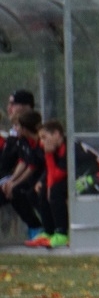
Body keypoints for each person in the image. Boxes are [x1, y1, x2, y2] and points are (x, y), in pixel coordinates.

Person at [24, 120, 76, 248]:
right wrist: (43, 182)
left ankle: (62, 233)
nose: (41, 142)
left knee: (56, 190)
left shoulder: (69, 148)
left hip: (88, 179)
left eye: (44, 137)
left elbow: (58, 175)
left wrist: (48, 154)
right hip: (72, 180)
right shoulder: (56, 148)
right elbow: (50, 171)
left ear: (57, 134)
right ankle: (49, 231)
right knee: (39, 190)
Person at [0, 90, 45, 239]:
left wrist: (13, 181)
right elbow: (20, 161)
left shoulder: (38, 135)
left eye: (13, 104)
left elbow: (30, 164)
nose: (9, 108)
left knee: (18, 190)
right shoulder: (15, 134)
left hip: (37, 179)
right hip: (13, 177)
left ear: (26, 106)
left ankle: (39, 228)